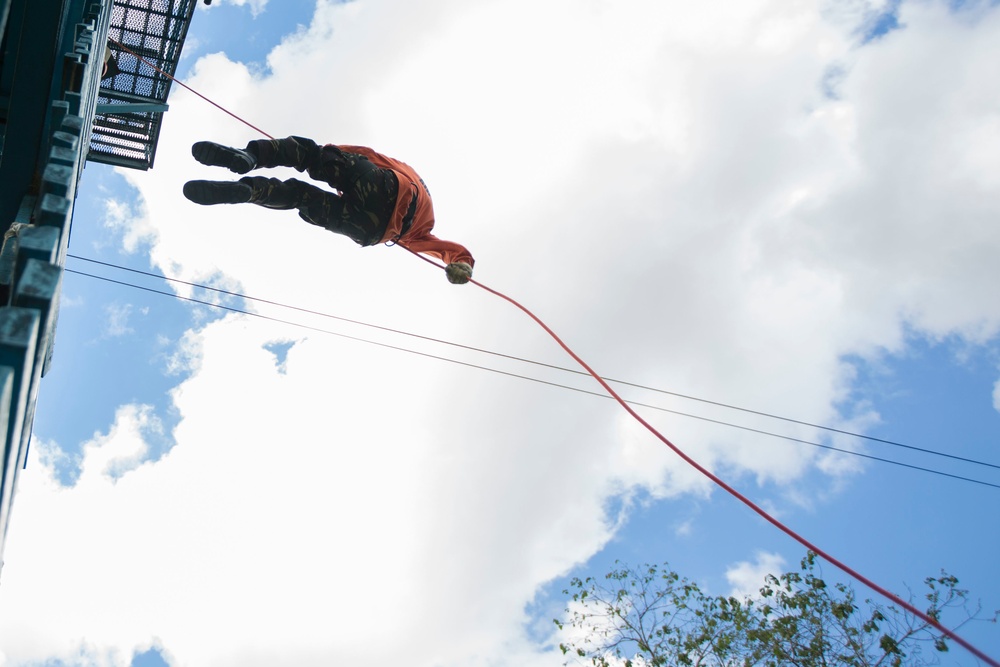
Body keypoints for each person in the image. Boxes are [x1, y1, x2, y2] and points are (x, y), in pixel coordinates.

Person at [182, 137, 474, 284]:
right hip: (370, 231)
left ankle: (251, 156)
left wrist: (331, 152)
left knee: (309, 155)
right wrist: (462, 266)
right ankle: (251, 191)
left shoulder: (402, 169)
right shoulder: (420, 233)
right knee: (300, 197)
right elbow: (448, 250)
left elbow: (366, 155)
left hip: (389, 185)